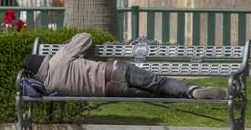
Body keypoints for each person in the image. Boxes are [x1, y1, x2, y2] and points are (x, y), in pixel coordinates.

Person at [23, 33, 228, 99]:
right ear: (43, 59)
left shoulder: (48, 87)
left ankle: (185, 94)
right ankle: (192, 91)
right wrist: (68, 45)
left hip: (110, 90)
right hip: (113, 70)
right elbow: (86, 37)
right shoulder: (60, 57)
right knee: (160, 82)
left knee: (156, 95)